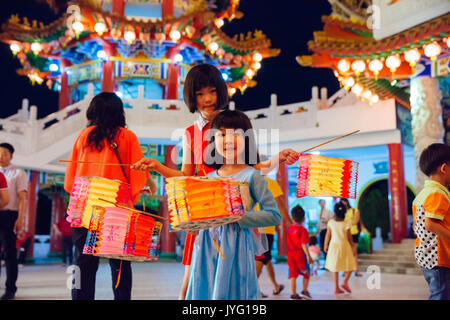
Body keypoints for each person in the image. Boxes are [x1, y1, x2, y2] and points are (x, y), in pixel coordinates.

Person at [132, 64, 298, 300]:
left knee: (228, 277)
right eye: (199, 94)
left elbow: (251, 167)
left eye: (211, 91)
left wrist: (277, 159)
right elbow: (187, 175)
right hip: (204, 210)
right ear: (191, 97)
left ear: (220, 90)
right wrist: (158, 167)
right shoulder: (190, 133)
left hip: (233, 210)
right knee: (192, 279)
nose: (207, 99)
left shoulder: (235, 123)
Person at [184, 109, 281, 299]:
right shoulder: (207, 179)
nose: (229, 140)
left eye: (236, 134)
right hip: (205, 247)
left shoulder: (253, 176)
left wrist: (241, 218)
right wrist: (192, 225)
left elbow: (274, 215)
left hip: (236, 247)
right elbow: (200, 217)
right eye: (221, 134)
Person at [64, 92, 149, 300]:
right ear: (119, 112)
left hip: (84, 211)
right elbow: (138, 175)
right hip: (117, 212)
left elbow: (70, 181)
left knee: (83, 263)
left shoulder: (84, 136)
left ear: (93, 111)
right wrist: (134, 194)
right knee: (120, 264)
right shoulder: (127, 137)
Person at [412, 143, 450, 300]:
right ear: (444, 168)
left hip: (428, 256)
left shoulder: (424, 193)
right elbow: (430, 224)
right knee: (440, 295)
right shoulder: (437, 194)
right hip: (438, 258)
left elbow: (419, 225)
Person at [0, 142, 26, 300]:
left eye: (4, 154)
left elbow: (22, 198)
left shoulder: (18, 173)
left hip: (9, 216)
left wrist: (20, 219)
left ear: (11, 156)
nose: (1, 157)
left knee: (9, 254)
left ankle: (10, 289)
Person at [324, 202, 357, 294]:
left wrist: (325, 245)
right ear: (345, 212)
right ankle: (345, 282)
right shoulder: (347, 223)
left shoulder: (331, 223)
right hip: (344, 245)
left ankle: (336, 288)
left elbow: (328, 235)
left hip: (334, 246)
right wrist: (353, 245)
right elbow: (349, 237)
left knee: (335, 267)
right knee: (351, 264)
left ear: (334, 212)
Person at [287, 205, 313, 300]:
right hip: (300, 255)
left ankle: (293, 294)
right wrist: (309, 256)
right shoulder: (303, 230)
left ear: (292, 217)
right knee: (306, 272)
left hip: (290, 254)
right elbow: (303, 244)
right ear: (304, 218)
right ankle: (304, 291)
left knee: (292, 274)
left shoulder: (289, 229)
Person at [340, 198, 362, 277]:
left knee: (354, 253)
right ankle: (345, 271)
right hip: (345, 234)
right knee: (345, 253)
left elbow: (355, 221)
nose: (344, 204)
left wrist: (346, 222)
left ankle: (356, 271)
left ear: (347, 202)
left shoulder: (354, 211)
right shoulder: (342, 213)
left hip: (353, 233)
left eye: (344, 202)